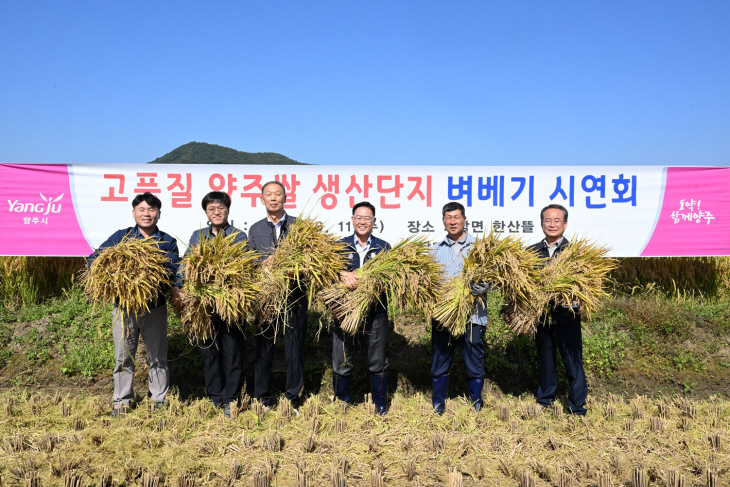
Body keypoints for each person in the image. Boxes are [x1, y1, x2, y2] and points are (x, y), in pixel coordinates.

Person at [87, 192, 180, 417]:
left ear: (158, 214)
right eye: (142, 210)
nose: (146, 214)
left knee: (157, 357)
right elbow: (94, 259)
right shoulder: (122, 237)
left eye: (151, 210)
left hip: (154, 307)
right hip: (124, 308)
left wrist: (150, 268)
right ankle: (122, 401)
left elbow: (175, 271)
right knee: (123, 357)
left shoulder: (167, 241)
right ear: (134, 213)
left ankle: (158, 399)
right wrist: (116, 272)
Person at [176, 191, 247, 418]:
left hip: (231, 305)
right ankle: (215, 397)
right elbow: (186, 265)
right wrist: (180, 288)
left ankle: (231, 399)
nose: (217, 212)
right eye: (212, 209)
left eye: (221, 208)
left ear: (228, 210)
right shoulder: (198, 237)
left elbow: (245, 271)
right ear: (206, 212)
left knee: (233, 351)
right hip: (203, 307)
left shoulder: (239, 236)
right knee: (209, 352)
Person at [247, 181, 306, 411]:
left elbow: (311, 260)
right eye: (268, 195)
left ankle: (293, 398)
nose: (273, 198)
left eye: (278, 194)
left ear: (285, 197)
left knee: (295, 348)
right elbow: (249, 264)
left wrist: (295, 268)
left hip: (295, 295)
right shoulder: (255, 229)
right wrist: (264, 265)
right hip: (266, 298)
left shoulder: (299, 227)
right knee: (264, 347)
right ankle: (263, 397)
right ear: (262, 200)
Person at [527, 204, 588, 416]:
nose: (552, 224)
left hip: (567, 316)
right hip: (542, 317)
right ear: (542, 223)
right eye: (548, 221)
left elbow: (586, 285)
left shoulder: (576, 253)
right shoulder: (531, 252)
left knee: (573, 363)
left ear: (565, 224)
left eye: (556, 221)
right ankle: (545, 400)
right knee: (546, 361)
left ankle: (577, 406)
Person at [332, 201, 392, 415]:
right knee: (342, 359)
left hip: (375, 312)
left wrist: (377, 284)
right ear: (352, 220)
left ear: (374, 221)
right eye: (359, 217)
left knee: (377, 360)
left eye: (367, 218)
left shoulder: (384, 247)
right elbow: (327, 275)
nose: (363, 221)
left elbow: (392, 280)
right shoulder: (339, 247)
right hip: (344, 312)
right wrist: (341, 275)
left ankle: (380, 404)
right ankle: (342, 402)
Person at [431, 202, 490, 414]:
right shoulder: (434, 250)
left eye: (456, 217)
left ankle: (476, 404)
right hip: (443, 317)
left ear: (465, 219)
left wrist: (482, 286)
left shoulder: (481, 249)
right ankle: (438, 404)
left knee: (474, 363)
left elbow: (494, 278)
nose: (453, 221)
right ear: (443, 221)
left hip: (474, 316)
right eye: (448, 217)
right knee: (440, 362)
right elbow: (428, 283)